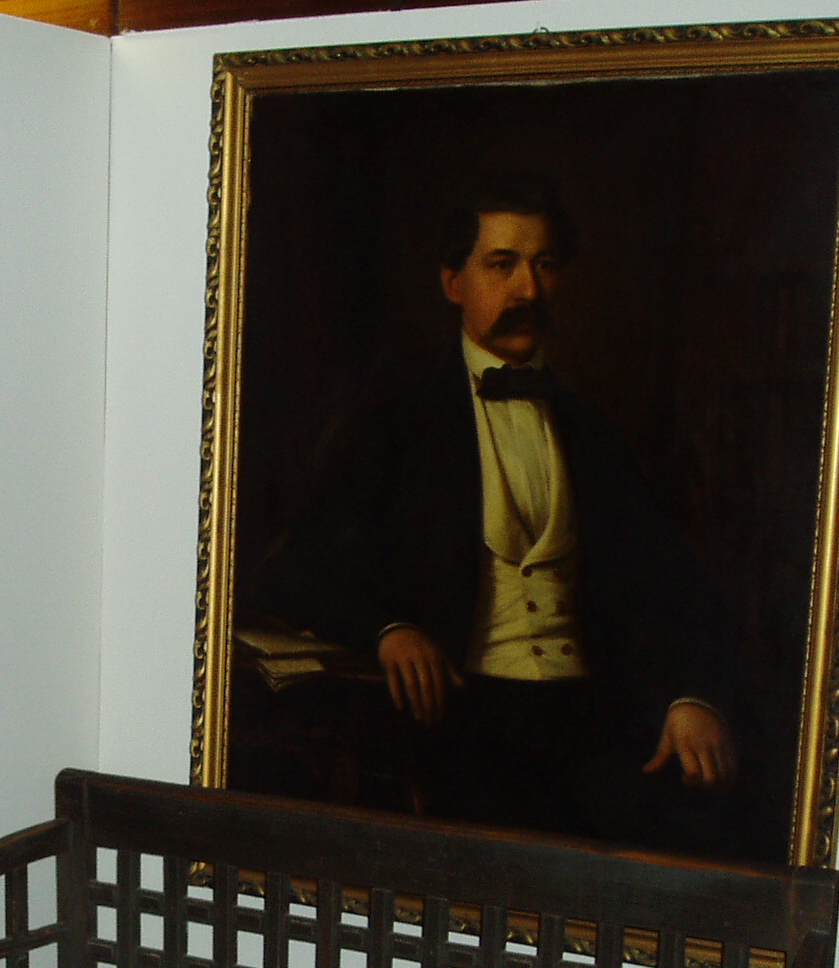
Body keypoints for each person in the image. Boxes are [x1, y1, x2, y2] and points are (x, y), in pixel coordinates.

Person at [272, 176, 738, 849]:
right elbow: (298, 567)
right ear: (452, 282)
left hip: (596, 721)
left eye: (543, 265)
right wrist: (388, 630)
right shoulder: (395, 425)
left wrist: (689, 696)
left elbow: (673, 586)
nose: (527, 290)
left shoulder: (594, 435)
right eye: (501, 265)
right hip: (462, 720)